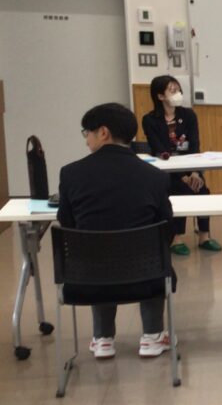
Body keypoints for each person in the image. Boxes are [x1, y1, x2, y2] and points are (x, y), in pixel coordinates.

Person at [57, 103, 175, 360]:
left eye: (87, 133)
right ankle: (153, 335)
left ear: (103, 132)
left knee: (97, 252)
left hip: (87, 279)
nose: (86, 140)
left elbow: (67, 223)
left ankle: (103, 339)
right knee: (155, 254)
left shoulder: (71, 174)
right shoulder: (154, 176)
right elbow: (167, 227)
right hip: (146, 277)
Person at [141, 75, 221, 255]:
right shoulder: (150, 120)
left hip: (191, 167)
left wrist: (195, 172)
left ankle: (204, 236)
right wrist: (182, 175)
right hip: (167, 171)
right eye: (172, 90)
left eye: (178, 89)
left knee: (202, 189)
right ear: (160, 96)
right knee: (181, 190)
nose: (177, 93)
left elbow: (195, 146)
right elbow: (159, 149)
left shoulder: (188, 115)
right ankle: (176, 238)